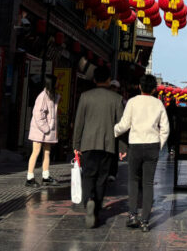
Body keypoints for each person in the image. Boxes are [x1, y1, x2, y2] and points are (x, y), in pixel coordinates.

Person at [114, 74, 170, 232]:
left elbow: (124, 125)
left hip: (135, 145)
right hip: (152, 145)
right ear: (154, 89)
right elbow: (165, 128)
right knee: (148, 183)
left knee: (133, 180)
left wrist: (114, 130)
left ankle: (133, 215)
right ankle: (145, 220)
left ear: (140, 86)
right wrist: (159, 144)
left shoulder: (132, 102)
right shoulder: (158, 104)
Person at [73, 66, 125, 228]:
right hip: (108, 144)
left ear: (94, 80)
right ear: (109, 80)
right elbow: (121, 126)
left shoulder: (85, 96)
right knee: (102, 178)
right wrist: (123, 147)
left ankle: (89, 199)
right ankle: (96, 208)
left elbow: (79, 122)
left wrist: (76, 144)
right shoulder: (116, 99)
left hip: (88, 144)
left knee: (88, 175)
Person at [26, 75, 60, 187]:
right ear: (52, 83)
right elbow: (38, 114)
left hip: (46, 130)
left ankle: (45, 176)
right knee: (36, 152)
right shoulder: (42, 96)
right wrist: (46, 128)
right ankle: (29, 178)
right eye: (56, 82)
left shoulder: (52, 96)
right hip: (40, 129)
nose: (58, 84)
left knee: (47, 152)